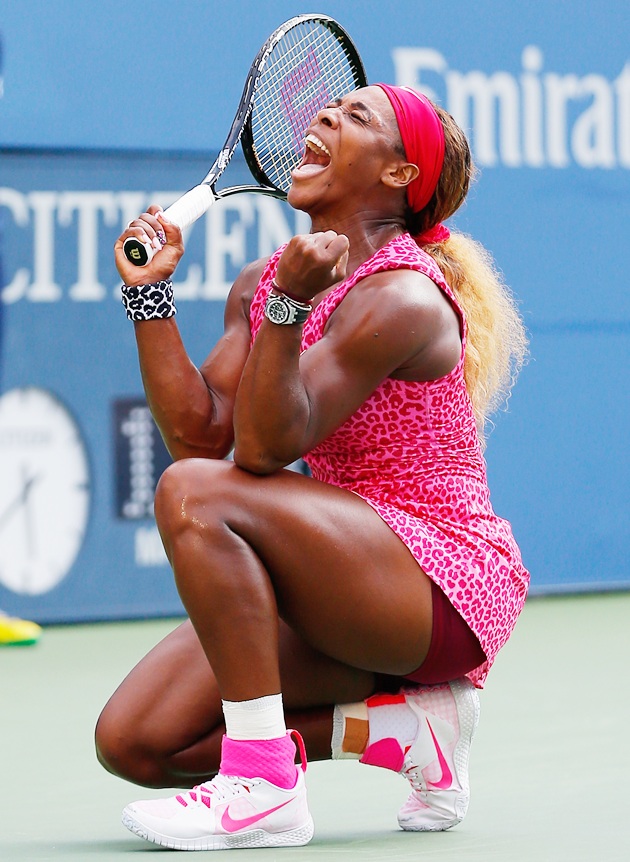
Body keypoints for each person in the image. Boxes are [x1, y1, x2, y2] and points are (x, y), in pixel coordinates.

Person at [96, 83, 529, 851]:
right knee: (135, 741)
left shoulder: (403, 297)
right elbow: (202, 438)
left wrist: (291, 309)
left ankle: (263, 782)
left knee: (195, 496)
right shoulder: (263, 283)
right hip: (336, 574)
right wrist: (150, 297)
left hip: (439, 588)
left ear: (399, 175)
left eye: (358, 116)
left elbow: (260, 452)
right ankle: (406, 732)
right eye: (329, 108)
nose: (325, 116)